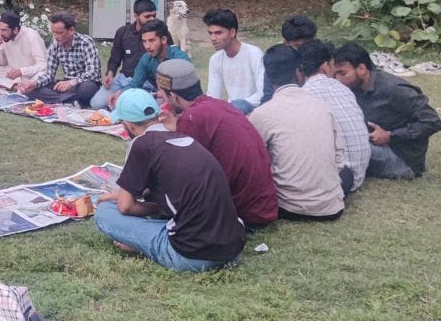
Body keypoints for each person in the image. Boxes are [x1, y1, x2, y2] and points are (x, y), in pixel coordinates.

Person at [94, 89, 245, 271]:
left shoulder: (141, 144)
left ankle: (144, 246)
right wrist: (113, 196)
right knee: (116, 204)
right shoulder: (183, 137)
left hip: (190, 255)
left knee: (105, 213)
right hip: (232, 247)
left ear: (129, 126)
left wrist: (154, 207)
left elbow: (126, 206)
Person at [154, 59, 278, 228]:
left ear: (173, 96)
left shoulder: (193, 118)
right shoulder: (217, 105)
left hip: (244, 214)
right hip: (263, 205)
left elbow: (184, 176)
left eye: (162, 93)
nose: (160, 96)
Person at [249, 45, 345, 221]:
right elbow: (339, 160)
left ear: (268, 77)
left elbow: (252, 165)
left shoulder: (262, 114)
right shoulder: (323, 107)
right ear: (299, 73)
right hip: (331, 207)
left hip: (290, 208)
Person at [332, 43, 441, 179]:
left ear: (361, 68)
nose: (337, 79)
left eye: (342, 73)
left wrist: (390, 136)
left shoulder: (395, 89)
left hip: (402, 160)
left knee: (347, 145)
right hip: (374, 146)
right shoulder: (354, 87)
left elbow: (433, 121)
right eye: (334, 74)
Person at [297, 40, 370, 194]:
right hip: (358, 174)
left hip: (338, 179)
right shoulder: (344, 90)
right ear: (325, 66)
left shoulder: (303, 95)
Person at [17, 12, 101, 107]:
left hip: (83, 83)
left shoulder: (86, 42)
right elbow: (49, 74)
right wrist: (35, 83)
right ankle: (68, 101)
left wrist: (72, 82)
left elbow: (93, 72)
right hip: (65, 85)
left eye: (60, 33)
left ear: (71, 30)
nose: (56, 36)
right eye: (53, 32)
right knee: (32, 90)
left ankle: (61, 100)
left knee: (88, 88)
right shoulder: (55, 46)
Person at [90, 0, 157, 110]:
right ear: (136, 16)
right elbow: (115, 58)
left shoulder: (159, 32)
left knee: (123, 105)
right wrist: (110, 74)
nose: (152, 19)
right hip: (124, 78)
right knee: (96, 103)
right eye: (147, 16)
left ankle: (123, 104)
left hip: (146, 82)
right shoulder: (123, 32)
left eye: (154, 16)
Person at [108, 20, 190, 107]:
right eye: (144, 41)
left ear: (164, 40)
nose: (147, 46)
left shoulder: (180, 59)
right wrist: (120, 93)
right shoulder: (146, 59)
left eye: (151, 41)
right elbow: (135, 84)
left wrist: (162, 96)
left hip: (183, 100)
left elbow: (188, 89)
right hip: (161, 97)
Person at [203, 9, 265, 115]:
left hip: (256, 113)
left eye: (218, 33)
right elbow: (213, 96)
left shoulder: (254, 54)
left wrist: (234, 107)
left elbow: (263, 94)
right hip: (232, 113)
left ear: (232, 32)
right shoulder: (215, 59)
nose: (213, 38)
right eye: (210, 33)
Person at [0, 11, 48, 89]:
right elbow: (0, 63)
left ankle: (16, 86)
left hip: (30, 75)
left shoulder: (31, 37)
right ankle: (16, 86)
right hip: (11, 75)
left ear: (15, 30)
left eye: (4, 30)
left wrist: (21, 71)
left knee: (42, 75)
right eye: (0, 29)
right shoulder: (3, 36)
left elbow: (43, 65)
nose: (0, 33)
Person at [260, 15, 318, 104]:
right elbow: (268, 97)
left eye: (308, 45)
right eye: (298, 46)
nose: (304, 51)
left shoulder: (321, 61)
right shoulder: (277, 63)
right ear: (285, 44)